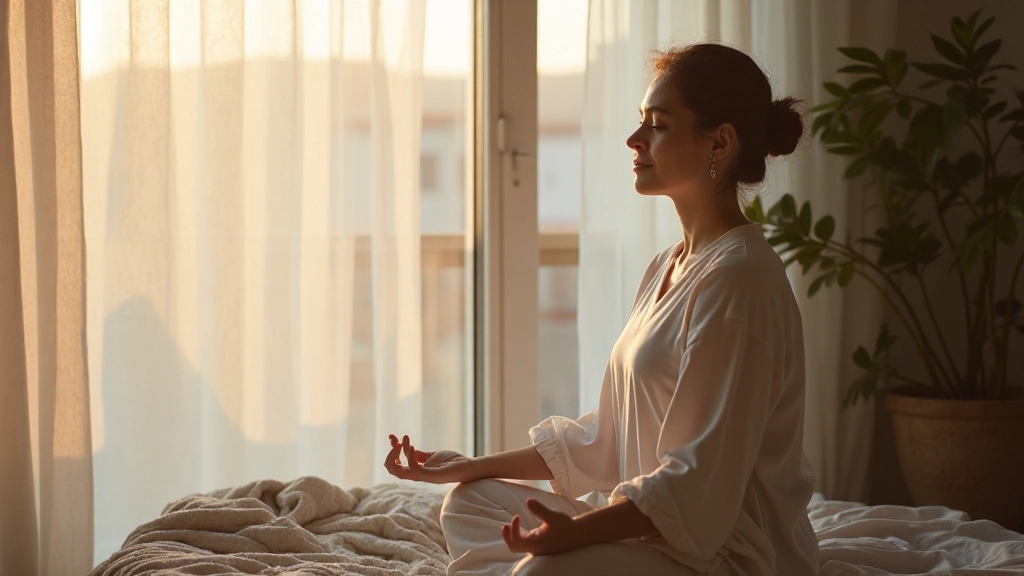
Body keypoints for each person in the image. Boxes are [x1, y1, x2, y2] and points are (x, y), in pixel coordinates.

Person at [384, 42, 820, 576]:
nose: (634, 140)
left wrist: (577, 534)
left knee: (543, 570)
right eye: (641, 121)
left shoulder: (739, 283)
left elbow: (697, 482)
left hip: (723, 554)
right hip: (651, 529)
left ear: (721, 142)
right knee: (471, 501)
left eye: (657, 125)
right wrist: (467, 467)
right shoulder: (670, 264)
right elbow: (607, 439)